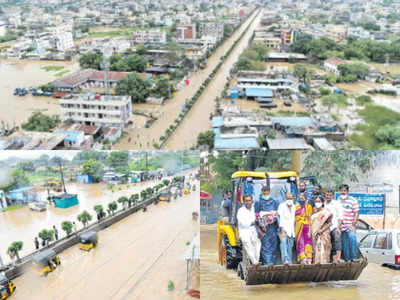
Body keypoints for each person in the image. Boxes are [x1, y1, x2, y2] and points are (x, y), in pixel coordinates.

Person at [256, 186, 279, 266]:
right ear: (262, 192)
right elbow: (256, 215)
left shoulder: (275, 201)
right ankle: (267, 264)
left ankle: (273, 263)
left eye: (267, 192)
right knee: (265, 246)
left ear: (269, 192)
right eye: (264, 192)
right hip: (264, 228)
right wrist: (262, 224)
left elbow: (278, 213)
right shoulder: (258, 202)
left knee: (274, 245)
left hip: (273, 227)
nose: (266, 193)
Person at [237, 195, 261, 265]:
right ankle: (254, 262)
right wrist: (252, 222)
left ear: (252, 201)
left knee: (258, 244)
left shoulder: (255, 209)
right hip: (244, 232)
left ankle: (256, 261)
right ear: (244, 202)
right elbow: (242, 223)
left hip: (254, 231)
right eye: (246, 201)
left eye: (249, 200)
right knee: (248, 245)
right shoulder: (241, 211)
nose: (248, 202)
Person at [338, 184, 360, 262]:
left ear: (347, 191)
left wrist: (353, 225)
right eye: (342, 190)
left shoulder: (353, 200)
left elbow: (356, 213)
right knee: (345, 245)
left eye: (345, 190)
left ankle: (354, 257)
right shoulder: (338, 200)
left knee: (352, 238)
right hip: (341, 227)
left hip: (350, 226)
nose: (343, 192)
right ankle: (347, 261)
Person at [311, 195, 332, 264]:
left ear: (322, 202)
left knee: (323, 249)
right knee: (316, 251)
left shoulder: (326, 212)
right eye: (316, 201)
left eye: (319, 201)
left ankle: (324, 264)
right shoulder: (313, 213)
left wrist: (321, 230)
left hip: (324, 233)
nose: (317, 203)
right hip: (315, 234)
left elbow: (330, 223)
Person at [325, 189, 344, 263]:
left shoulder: (337, 204)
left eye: (330, 195)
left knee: (337, 238)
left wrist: (338, 228)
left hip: (334, 226)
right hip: (325, 227)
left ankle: (338, 257)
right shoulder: (323, 204)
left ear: (333, 196)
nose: (328, 197)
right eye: (327, 195)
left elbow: (340, 217)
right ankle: (327, 258)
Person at [277, 193, 296, 265]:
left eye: (291, 198)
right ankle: (285, 260)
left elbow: (294, 220)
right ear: (285, 198)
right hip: (283, 229)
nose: (289, 200)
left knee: (290, 247)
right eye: (288, 198)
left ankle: (290, 262)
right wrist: (281, 229)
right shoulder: (281, 206)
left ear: (293, 199)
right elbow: (279, 217)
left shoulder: (294, 207)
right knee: (283, 243)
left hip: (291, 230)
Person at [295, 193, 313, 264]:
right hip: (299, 228)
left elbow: (310, 217)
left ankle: (309, 258)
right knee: (300, 243)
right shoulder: (296, 207)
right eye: (299, 198)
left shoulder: (309, 207)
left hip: (307, 227)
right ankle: (302, 258)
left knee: (308, 243)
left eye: (302, 198)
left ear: (305, 199)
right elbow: (296, 218)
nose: (301, 200)